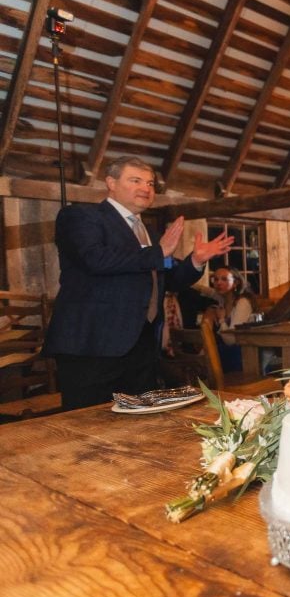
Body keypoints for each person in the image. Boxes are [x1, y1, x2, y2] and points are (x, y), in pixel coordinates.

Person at [43, 156, 233, 410]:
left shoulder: (150, 234)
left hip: (141, 346)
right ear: (111, 182)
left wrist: (196, 260)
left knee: (138, 427)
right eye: (135, 180)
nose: (146, 188)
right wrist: (158, 252)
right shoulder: (81, 216)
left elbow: (171, 280)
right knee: (88, 429)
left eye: (151, 183)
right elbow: (95, 259)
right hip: (93, 345)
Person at [204, 266, 257, 373]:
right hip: (228, 352)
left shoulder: (242, 302)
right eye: (215, 279)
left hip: (243, 355)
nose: (218, 283)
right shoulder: (222, 300)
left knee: (209, 356)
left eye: (224, 279)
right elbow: (207, 291)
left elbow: (231, 340)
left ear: (236, 283)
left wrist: (222, 320)